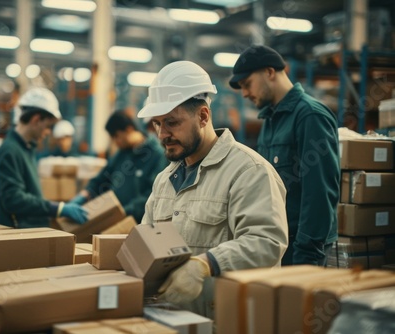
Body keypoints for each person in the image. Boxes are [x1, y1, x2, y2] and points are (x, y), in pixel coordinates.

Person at [137, 60, 288, 318]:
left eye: (172, 122)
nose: (162, 134)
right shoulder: (164, 181)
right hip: (172, 319)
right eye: (157, 124)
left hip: (227, 322)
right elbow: (147, 244)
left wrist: (206, 264)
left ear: (203, 116)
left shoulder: (248, 171)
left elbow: (266, 242)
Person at [229, 45, 340, 266]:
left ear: (269, 72)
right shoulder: (270, 121)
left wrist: (307, 253)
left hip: (302, 249)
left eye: (247, 84)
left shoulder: (310, 116)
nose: (244, 93)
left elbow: (319, 193)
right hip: (276, 244)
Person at [0, 87, 88, 228]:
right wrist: (58, 209)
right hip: (17, 238)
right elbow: (14, 200)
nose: (49, 132)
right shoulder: (10, 152)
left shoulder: (26, 149)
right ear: (36, 119)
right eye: (48, 126)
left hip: (29, 234)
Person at [70, 110, 168, 223]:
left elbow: (151, 197)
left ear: (129, 129)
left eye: (116, 136)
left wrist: (122, 212)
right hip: (114, 219)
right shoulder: (123, 153)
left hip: (136, 223)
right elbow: (103, 178)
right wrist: (85, 195)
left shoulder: (157, 155)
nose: (115, 141)